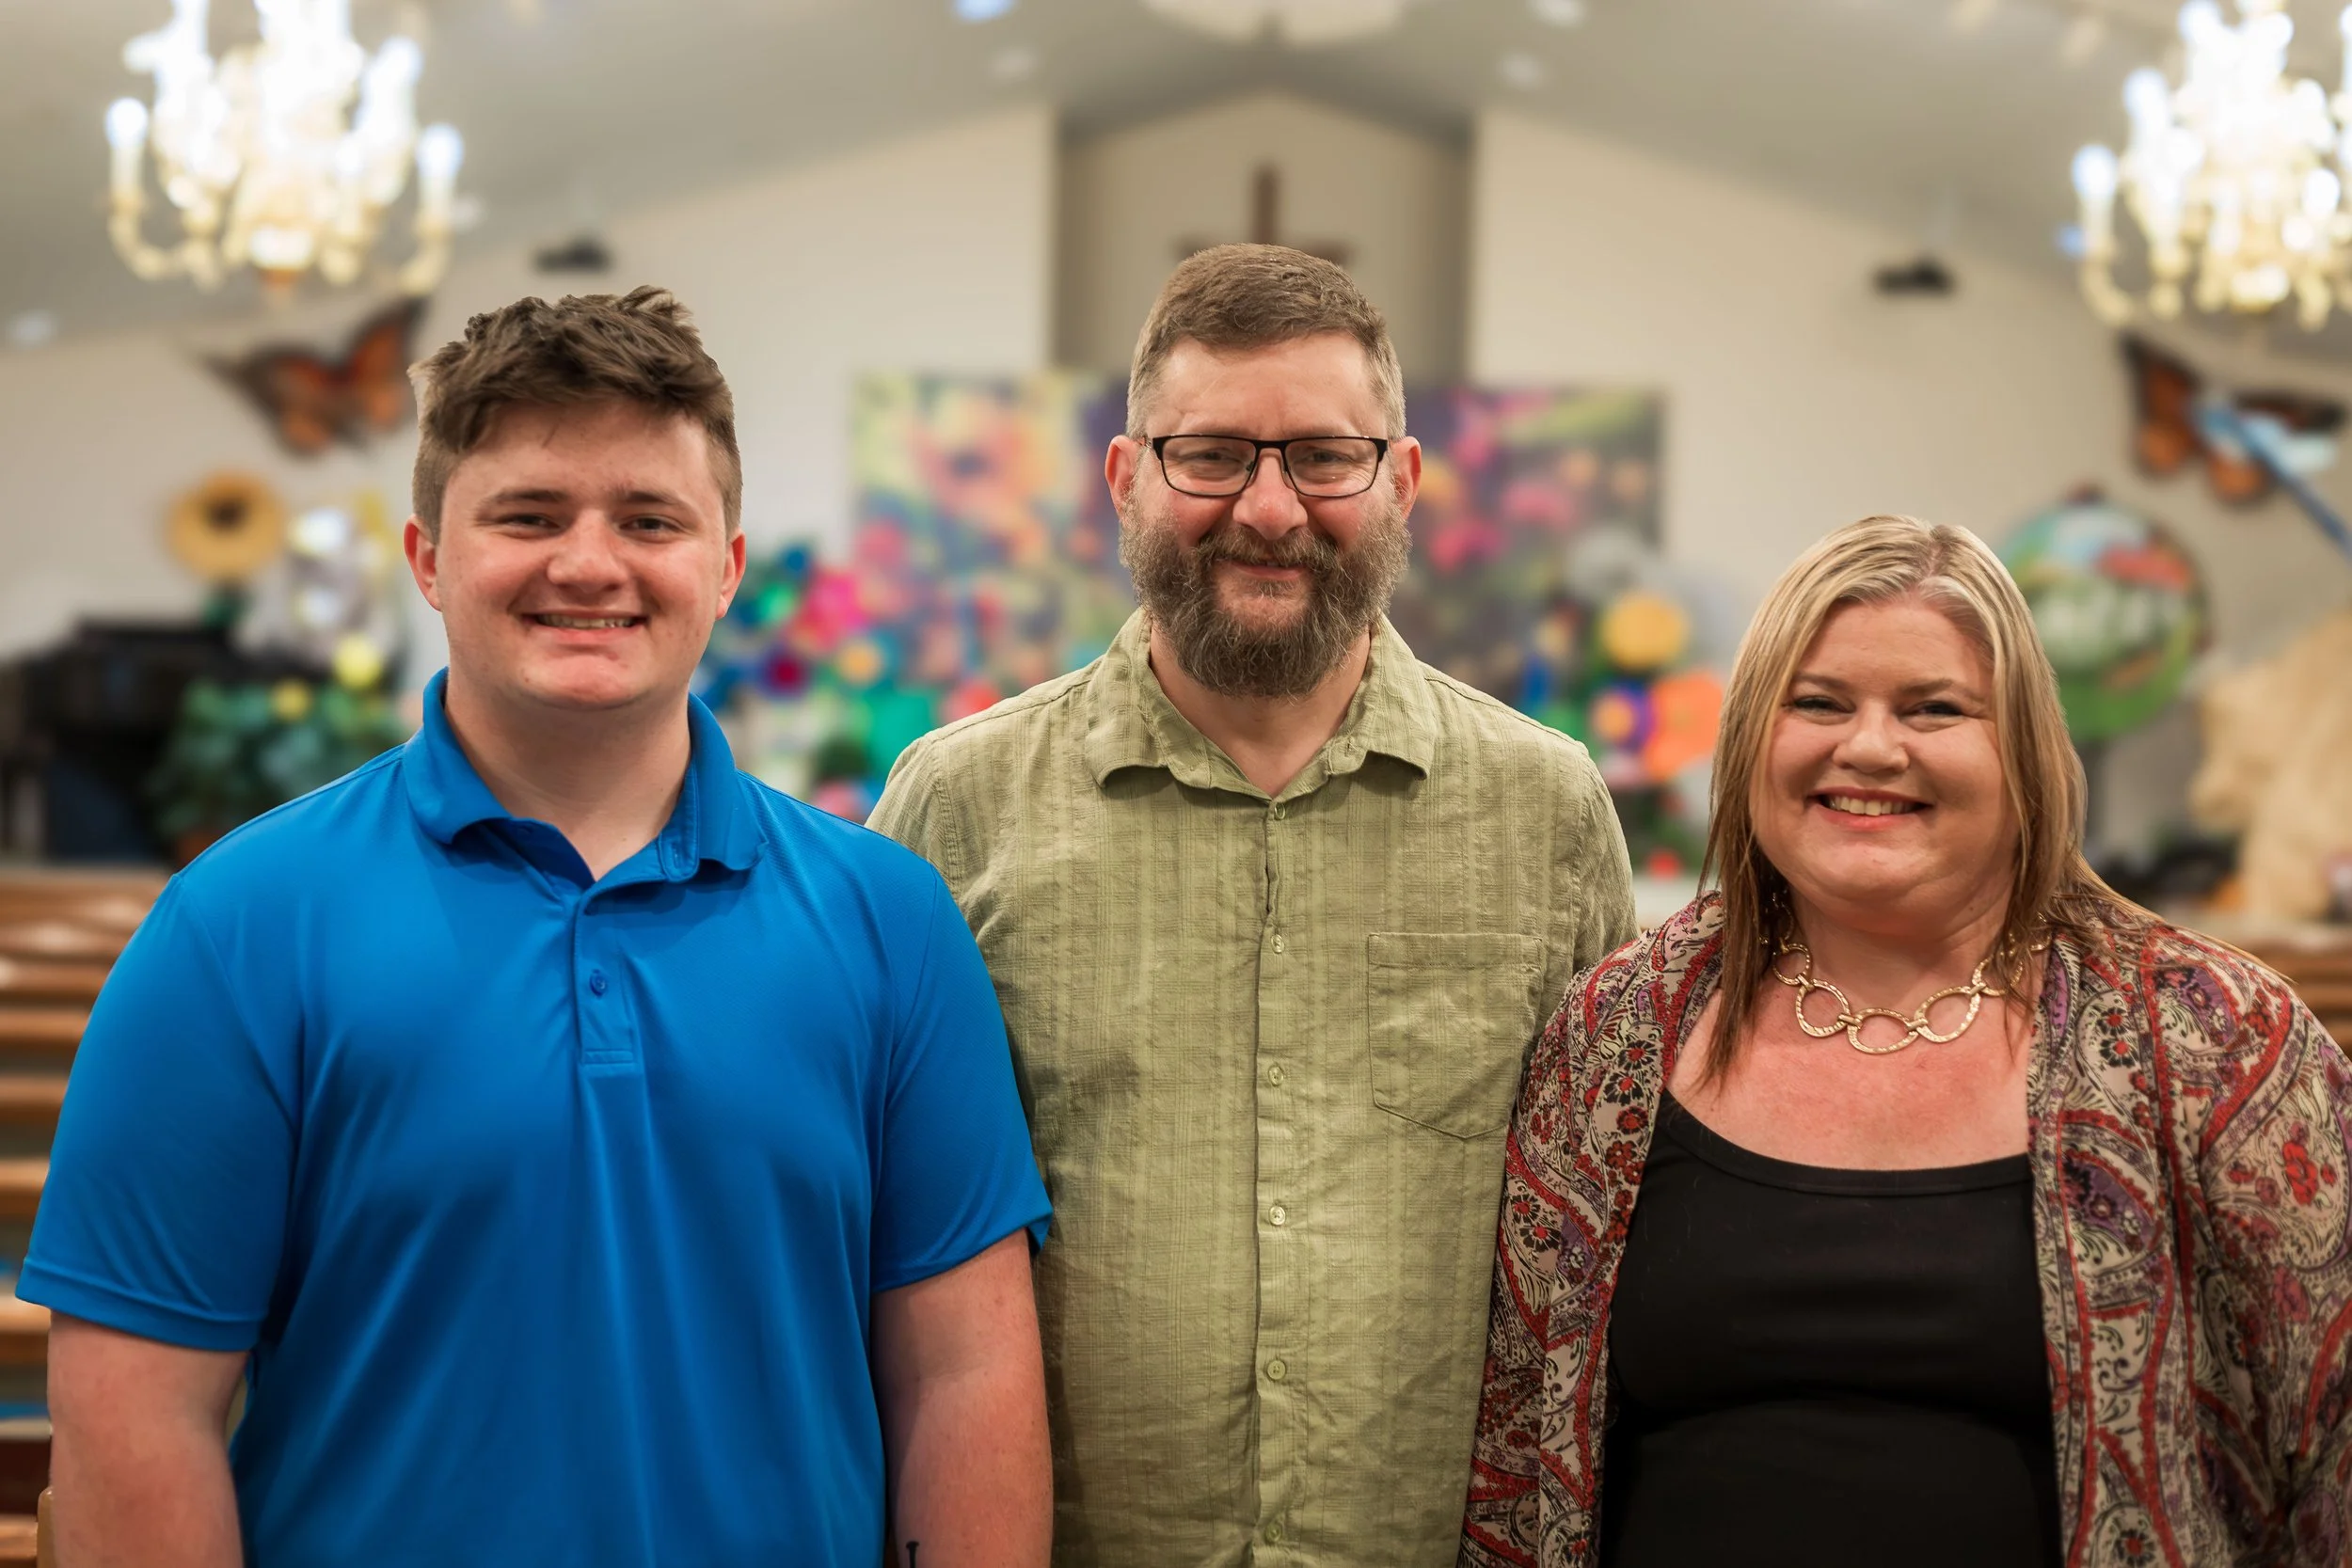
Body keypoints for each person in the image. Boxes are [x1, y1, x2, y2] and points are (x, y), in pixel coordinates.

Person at [24, 287, 1053, 1568]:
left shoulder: (890, 921)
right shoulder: (233, 929)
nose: (587, 560)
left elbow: (963, 1378)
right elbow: (137, 1414)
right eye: (527, 514)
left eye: (649, 518)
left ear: (725, 568)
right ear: (429, 559)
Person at [869, 243, 1637, 1566]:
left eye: (1324, 457)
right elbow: (872, 1224)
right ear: (1125, 476)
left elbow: (1615, 1229)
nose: (1270, 507)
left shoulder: (1546, 809)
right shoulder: (956, 808)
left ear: (1399, 478)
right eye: (1211, 453)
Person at [1462, 515, 2352, 1568]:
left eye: (1933, 708)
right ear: (1752, 737)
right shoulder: (1612, 1032)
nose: (1869, 745)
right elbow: (1516, 1447)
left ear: (2019, 750)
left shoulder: (2212, 1036)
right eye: (1819, 702)